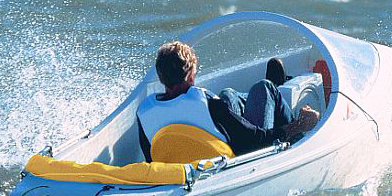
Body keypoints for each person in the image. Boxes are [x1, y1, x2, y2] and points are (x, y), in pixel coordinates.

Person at [137, 41, 319, 163]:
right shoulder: (207, 102)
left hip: (188, 167)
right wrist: (300, 125)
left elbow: (152, 159)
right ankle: (274, 97)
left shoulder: (145, 112)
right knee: (264, 88)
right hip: (240, 160)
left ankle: (270, 95)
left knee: (228, 94)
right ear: (191, 74)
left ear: (161, 76)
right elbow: (255, 141)